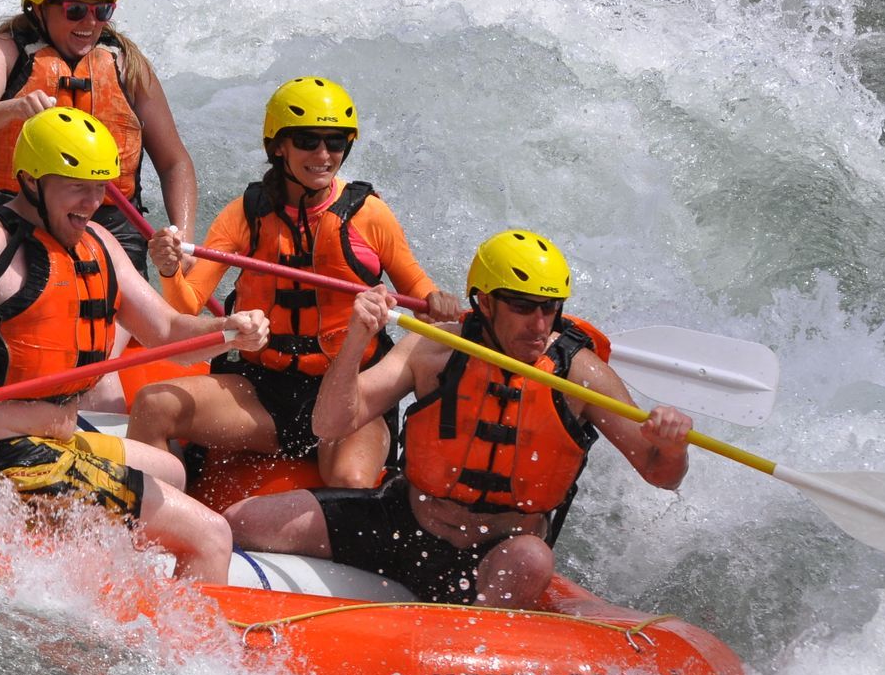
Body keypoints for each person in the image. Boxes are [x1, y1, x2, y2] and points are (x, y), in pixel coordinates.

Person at [0, 107, 268, 583]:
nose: (92, 201)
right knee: (211, 534)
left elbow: (171, 334)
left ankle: (99, 588)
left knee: (170, 471)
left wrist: (229, 331)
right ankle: (191, 655)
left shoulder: (100, 243)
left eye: (100, 186)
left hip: (55, 440)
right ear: (31, 181)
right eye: (76, 186)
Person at [226, 230, 695, 609]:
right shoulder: (433, 348)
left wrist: (672, 445)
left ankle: (465, 650)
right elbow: (328, 425)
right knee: (241, 521)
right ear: (485, 303)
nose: (539, 324)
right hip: (405, 523)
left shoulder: (582, 374)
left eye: (550, 308)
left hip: (498, 551)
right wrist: (356, 340)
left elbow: (660, 474)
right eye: (523, 306)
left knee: (533, 560)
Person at [127, 76, 462, 488]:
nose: (323, 155)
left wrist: (439, 303)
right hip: (263, 391)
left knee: (350, 480)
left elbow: (420, 295)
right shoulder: (246, 213)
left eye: (335, 142)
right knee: (153, 404)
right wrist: (168, 270)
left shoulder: (370, 216)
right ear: (278, 147)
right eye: (307, 141)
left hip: (346, 393)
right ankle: (154, 524)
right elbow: (185, 309)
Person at [0, 0, 196, 273]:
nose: (90, 24)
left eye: (102, 10)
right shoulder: (4, 50)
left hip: (106, 223)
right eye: (74, 10)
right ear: (37, 8)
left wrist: (183, 236)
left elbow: (173, 161)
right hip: (15, 212)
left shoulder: (126, 63)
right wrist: (14, 109)